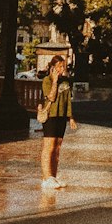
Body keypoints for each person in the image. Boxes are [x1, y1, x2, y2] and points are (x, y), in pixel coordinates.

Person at [40, 53, 77, 190]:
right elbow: (50, 97)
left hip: (61, 116)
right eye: (60, 67)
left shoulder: (67, 81)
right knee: (48, 147)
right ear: (53, 68)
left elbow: (68, 101)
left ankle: (53, 176)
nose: (63, 69)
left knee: (57, 148)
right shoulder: (47, 80)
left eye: (64, 66)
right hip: (50, 115)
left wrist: (71, 117)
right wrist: (55, 81)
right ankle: (46, 177)